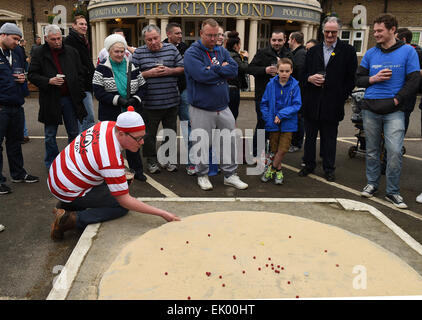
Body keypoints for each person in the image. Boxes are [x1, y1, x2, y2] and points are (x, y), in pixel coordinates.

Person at [48, 107, 180, 241]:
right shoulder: (110, 159)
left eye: (143, 136)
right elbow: (125, 200)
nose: (142, 142)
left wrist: (118, 178)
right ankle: (71, 220)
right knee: (120, 206)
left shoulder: (107, 125)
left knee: (114, 188)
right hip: (66, 187)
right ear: (122, 133)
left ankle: (66, 206)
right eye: (138, 138)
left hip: (58, 174)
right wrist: (162, 213)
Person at [356, 14, 420, 209]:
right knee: (373, 151)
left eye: (379, 31)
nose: (375, 34)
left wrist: (396, 99)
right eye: (374, 31)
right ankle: (372, 184)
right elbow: (358, 79)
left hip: (394, 110)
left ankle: (392, 192)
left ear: (393, 30)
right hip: (370, 108)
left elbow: (414, 80)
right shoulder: (370, 53)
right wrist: (373, 79)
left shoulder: (408, 52)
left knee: (394, 151)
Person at [184, 18, 248, 191]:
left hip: (222, 106)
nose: (213, 39)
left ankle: (230, 175)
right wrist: (221, 70)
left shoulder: (221, 50)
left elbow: (234, 70)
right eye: (209, 35)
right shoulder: (192, 53)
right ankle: (202, 175)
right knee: (202, 143)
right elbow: (200, 76)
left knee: (230, 141)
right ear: (201, 33)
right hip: (201, 108)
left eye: (216, 35)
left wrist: (214, 69)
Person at [299, 17, 357, 182]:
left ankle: (329, 169)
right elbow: (302, 75)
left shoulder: (348, 51)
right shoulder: (313, 51)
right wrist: (310, 78)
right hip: (312, 103)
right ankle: (308, 165)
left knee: (329, 139)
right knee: (309, 138)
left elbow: (350, 79)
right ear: (322, 31)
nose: (330, 34)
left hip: (333, 104)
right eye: (327, 31)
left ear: (338, 31)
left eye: (333, 32)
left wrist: (341, 95)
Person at [28, 24, 87, 170]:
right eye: (53, 39)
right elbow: (32, 75)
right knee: (49, 134)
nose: (57, 42)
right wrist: (49, 81)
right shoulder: (39, 53)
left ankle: (72, 161)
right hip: (50, 99)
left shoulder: (71, 51)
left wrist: (79, 91)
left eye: (59, 38)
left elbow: (80, 73)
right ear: (46, 39)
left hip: (70, 99)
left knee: (73, 132)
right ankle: (52, 163)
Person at [93, 34, 148, 182]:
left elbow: (143, 86)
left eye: (122, 51)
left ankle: (137, 170)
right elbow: (98, 92)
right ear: (109, 51)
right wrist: (118, 100)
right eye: (116, 51)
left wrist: (135, 99)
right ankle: (111, 173)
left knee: (133, 142)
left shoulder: (132, 66)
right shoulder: (101, 68)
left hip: (130, 112)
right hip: (110, 112)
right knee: (111, 145)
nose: (119, 54)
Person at [132, 24, 184, 174]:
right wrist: (148, 73)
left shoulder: (171, 49)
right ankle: (151, 161)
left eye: (155, 38)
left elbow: (182, 68)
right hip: (149, 103)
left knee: (170, 133)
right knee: (149, 136)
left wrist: (170, 70)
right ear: (144, 40)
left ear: (161, 36)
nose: (153, 42)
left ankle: (168, 159)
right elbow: (131, 76)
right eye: (149, 40)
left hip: (171, 101)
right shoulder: (139, 53)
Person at [0, 23, 39, 196]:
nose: (17, 42)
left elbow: (21, 73)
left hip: (16, 106)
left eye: (18, 39)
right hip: (1, 107)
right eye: (15, 39)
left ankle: (18, 174)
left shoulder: (15, 53)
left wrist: (23, 85)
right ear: (3, 35)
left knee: (15, 142)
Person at [247, 31, 294, 159]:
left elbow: (295, 73)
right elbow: (250, 68)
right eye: (274, 40)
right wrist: (265, 70)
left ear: (284, 40)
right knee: (262, 124)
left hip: (281, 98)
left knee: (277, 125)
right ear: (270, 40)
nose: (277, 43)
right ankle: (257, 153)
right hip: (263, 96)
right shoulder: (262, 53)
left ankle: (272, 153)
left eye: (279, 40)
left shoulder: (288, 54)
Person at [260, 58, 301, 185]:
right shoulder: (270, 85)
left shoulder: (295, 86)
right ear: (277, 70)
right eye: (281, 70)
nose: (284, 73)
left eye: (287, 71)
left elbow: (296, 105)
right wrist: (268, 118)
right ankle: (279, 170)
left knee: (283, 149)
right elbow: (264, 103)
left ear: (291, 71)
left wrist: (281, 115)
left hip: (288, 123)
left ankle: (270, 169)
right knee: (274, 149)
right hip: (273, 123)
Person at [163, 22, 195, 175]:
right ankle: (167, 159)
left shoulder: (185, 48)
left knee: (187, 126)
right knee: (168, 129)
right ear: (168, 34)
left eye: (181, 33)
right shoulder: (159, 47)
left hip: (183, 92)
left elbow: (189, 68)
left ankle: (191, 162)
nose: (181, 36)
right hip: (165, 93)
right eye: (177, 33)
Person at [64, 15, 95, 131]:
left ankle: (82, 144)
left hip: (86, 83)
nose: (84, 26)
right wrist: (85, 72)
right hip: (80, 85)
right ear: (74, 26)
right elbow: (72, 64)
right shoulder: (70, 41)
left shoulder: (82, 40)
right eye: (81, 24)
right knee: (87, 117)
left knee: (84, 117)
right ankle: (85, 145)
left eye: (85, 24)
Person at [395, 27, 422, 134]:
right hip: (395, 92)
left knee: (403, 117)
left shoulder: (418, 53)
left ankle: (399, 143)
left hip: (409, 93)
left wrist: (415, 71)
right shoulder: (395, 52)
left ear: (404, 39)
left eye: (396, 39)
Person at [287, 31, 306, 153]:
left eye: (289, 39)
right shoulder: (296, 53)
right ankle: (293, 141)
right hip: (295, 91)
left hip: (298, 92)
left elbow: (299, 74)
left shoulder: (300, 54)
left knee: (298, 118)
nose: (288, 41)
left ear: (293, 40)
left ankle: (296, 143)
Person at [226, 31, 249, 121]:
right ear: (235, 45)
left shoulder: (226, 53)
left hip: (226, 87)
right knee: (232, 115)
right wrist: (246, 58)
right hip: (232, 89)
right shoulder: (234, 56)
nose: (240, 47)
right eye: (239, 44)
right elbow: (244, 68)